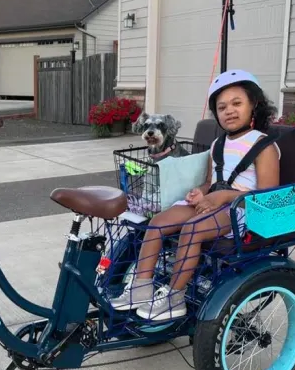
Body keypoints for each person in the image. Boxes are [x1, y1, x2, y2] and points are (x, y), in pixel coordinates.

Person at [110, 70, 281, 322]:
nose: (229, 111)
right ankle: (141, 287)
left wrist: (222, 197)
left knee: (191, 229)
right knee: (158, 222)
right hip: (213, 202)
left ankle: (174, 297)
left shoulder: (263, 146)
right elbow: (210, 182)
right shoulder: (218, 145)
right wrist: (199, 192)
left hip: (242, 210)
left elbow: (267, 197)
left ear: (254, 105)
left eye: (237, 103)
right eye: (221, 107)